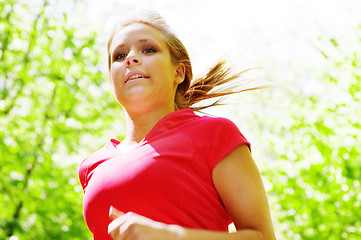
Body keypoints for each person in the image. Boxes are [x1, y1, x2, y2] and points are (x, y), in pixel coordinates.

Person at [78, 11, 276, 240]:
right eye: (119, 56)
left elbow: (263, 236)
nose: (131, 58)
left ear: (179, 72)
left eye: (148, 49)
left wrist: (171, 235)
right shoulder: (92, 166)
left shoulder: (215, 135)